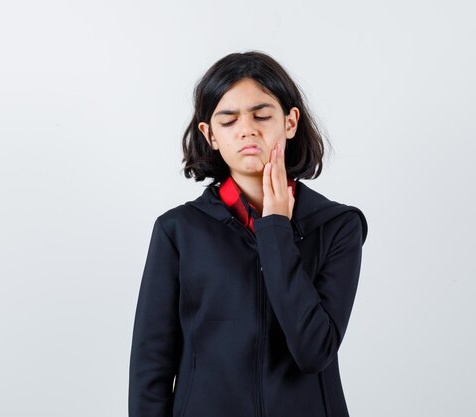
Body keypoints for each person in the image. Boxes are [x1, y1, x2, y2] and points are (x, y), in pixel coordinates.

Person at [128, 50, 368, 417]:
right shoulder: (178, 230)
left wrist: (275, 229)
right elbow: (151, 367)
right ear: (209, 134)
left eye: (261, 115)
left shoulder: (337, 226)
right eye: (228, 120)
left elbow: (314, 350)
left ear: (290, 123)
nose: (247, 129)